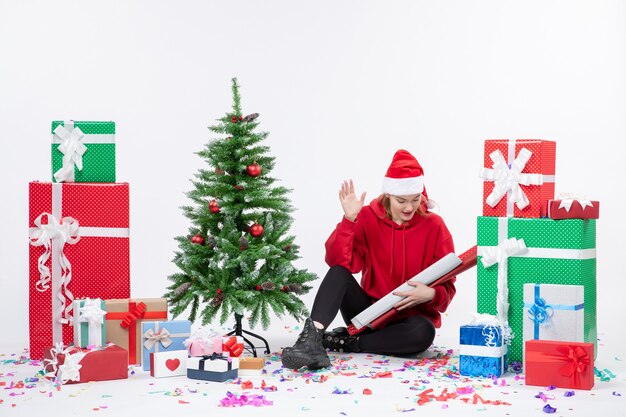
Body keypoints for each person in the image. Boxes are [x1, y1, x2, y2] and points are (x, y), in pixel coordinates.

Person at [281, 149, 457, 370]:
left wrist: (430, 294)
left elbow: (448, 287)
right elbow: (339, 262)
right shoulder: (367, 217)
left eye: (415, 199)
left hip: (407, 323)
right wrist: (349, 220)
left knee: (424, 332)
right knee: (338, 273)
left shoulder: (435, 226)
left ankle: (349, 342)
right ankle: (311, 339)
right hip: (368, 316)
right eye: (401, 200)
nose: (410, 207)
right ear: (387, 196)